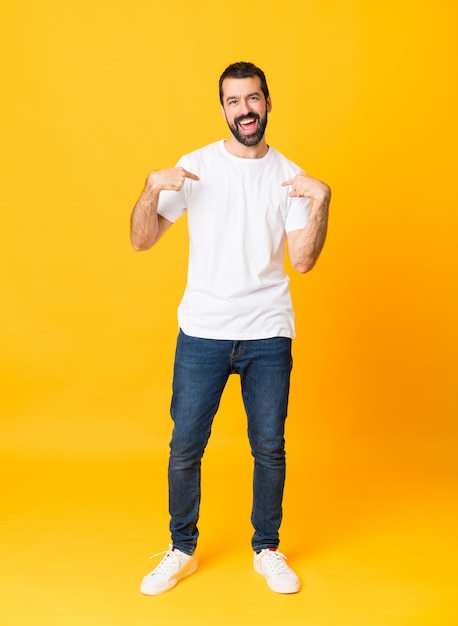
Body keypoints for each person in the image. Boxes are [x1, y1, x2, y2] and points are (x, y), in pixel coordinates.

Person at [130, 61, 330, 596]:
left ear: (268, 102)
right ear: (223, 109)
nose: (245, 109)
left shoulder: (289, 175)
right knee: (185, 445)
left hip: (268, 330)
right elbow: (141, 240)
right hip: (203, 330)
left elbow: (304, 261)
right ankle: (181, 548)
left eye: (253, 98)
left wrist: (321, 201)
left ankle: (267, 548)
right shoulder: (194, 168)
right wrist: (151, 187)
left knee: (269, 446)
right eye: (234, 101)